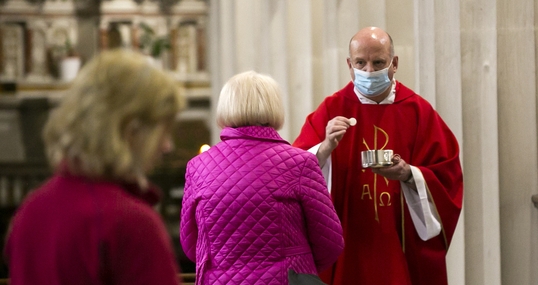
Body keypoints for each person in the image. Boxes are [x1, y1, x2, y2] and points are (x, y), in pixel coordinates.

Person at [293, 27, 463, 285]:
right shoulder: (332, 109)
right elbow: (294, 170)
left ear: (394, 64)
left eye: (378, 62)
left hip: (399, 241)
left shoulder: (418, 112)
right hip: (348, 241)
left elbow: (447, 175)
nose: (369, 71)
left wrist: (408, 174)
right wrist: (325, 148)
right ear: (349, 65)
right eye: (361, 63)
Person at [4, 49, 185, 285]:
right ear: (131, 131)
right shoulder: (131, 224)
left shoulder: (30, 212)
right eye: (162, 131)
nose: (167, 146)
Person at [180, 71, 344, 285]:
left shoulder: (198, 166)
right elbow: (330, 242)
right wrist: (301, 269)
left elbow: (190, 241)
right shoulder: (300, 163)